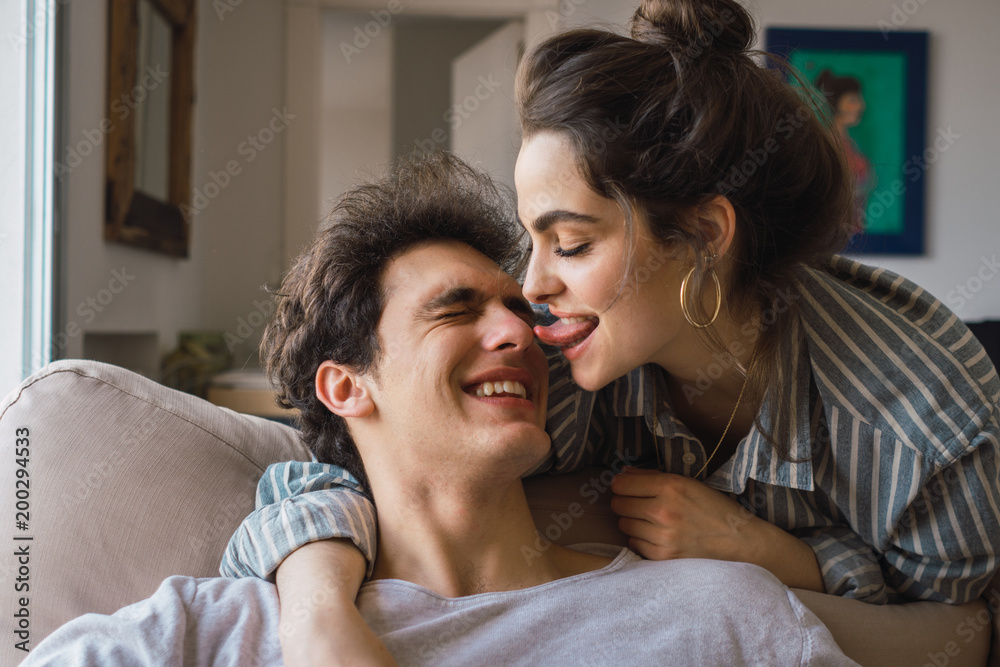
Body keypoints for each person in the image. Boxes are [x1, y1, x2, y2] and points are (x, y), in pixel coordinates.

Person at [222, 0, 1000, 664]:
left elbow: (964, 636)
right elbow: (355, 460)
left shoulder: (923, 430)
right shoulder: (548, 354)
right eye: (532, 241)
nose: (529, 288)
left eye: (572, 244)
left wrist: (767, 562)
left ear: (702, 234)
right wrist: (320, 618)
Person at [20, 152, 856, 667]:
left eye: (518, 309)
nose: (518, 332)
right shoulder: (212, 633)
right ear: (347, 386)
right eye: (457, 311)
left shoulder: (725, 616)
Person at [815, 69, 872, 232]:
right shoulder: (827, 144)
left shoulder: (849, 143)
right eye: (853, 100)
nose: (861, 105)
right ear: (836, 102)